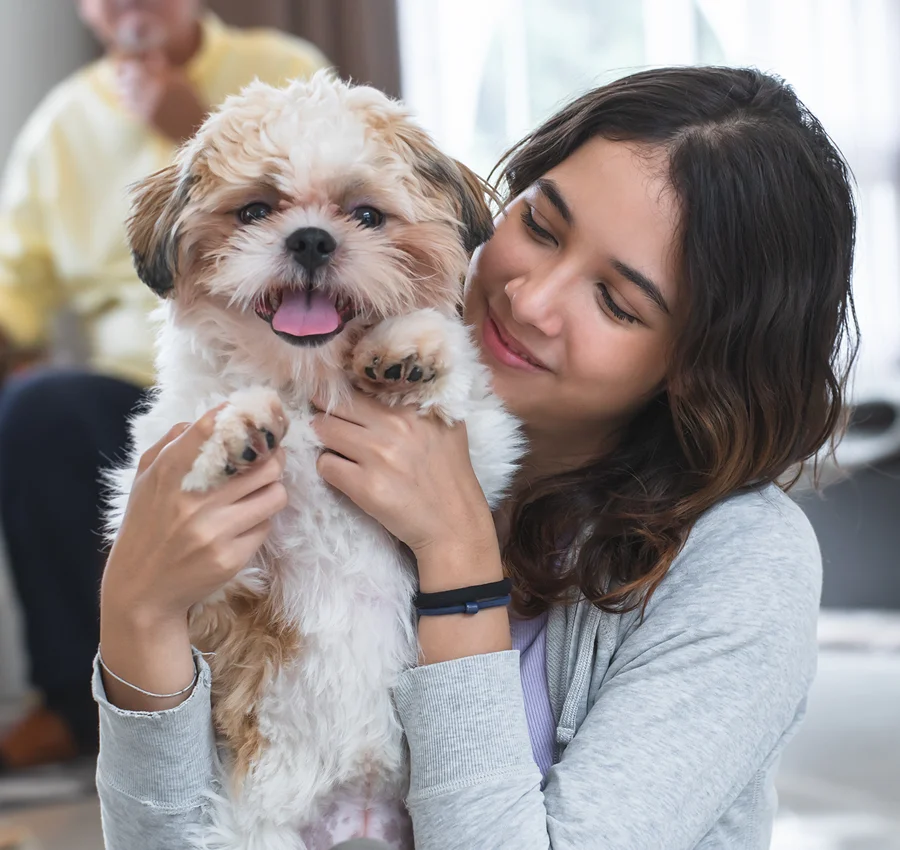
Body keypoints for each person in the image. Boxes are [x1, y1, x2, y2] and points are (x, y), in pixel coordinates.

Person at [94, 66, 857, 849]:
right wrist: (137, 616)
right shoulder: (305, 417)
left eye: (616, 302)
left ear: (700, 362)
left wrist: (457, 557)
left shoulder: (746, 564)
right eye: (542, 227)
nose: (530, 300)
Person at [0, 0, 328, 770]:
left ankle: (268, 693)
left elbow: (340, 207)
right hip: (124, 384)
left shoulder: (283, 66)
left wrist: (196, 125)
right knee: (35, 414)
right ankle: (76, 698)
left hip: (281, 362)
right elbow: (16, 291)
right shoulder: (60, 126)